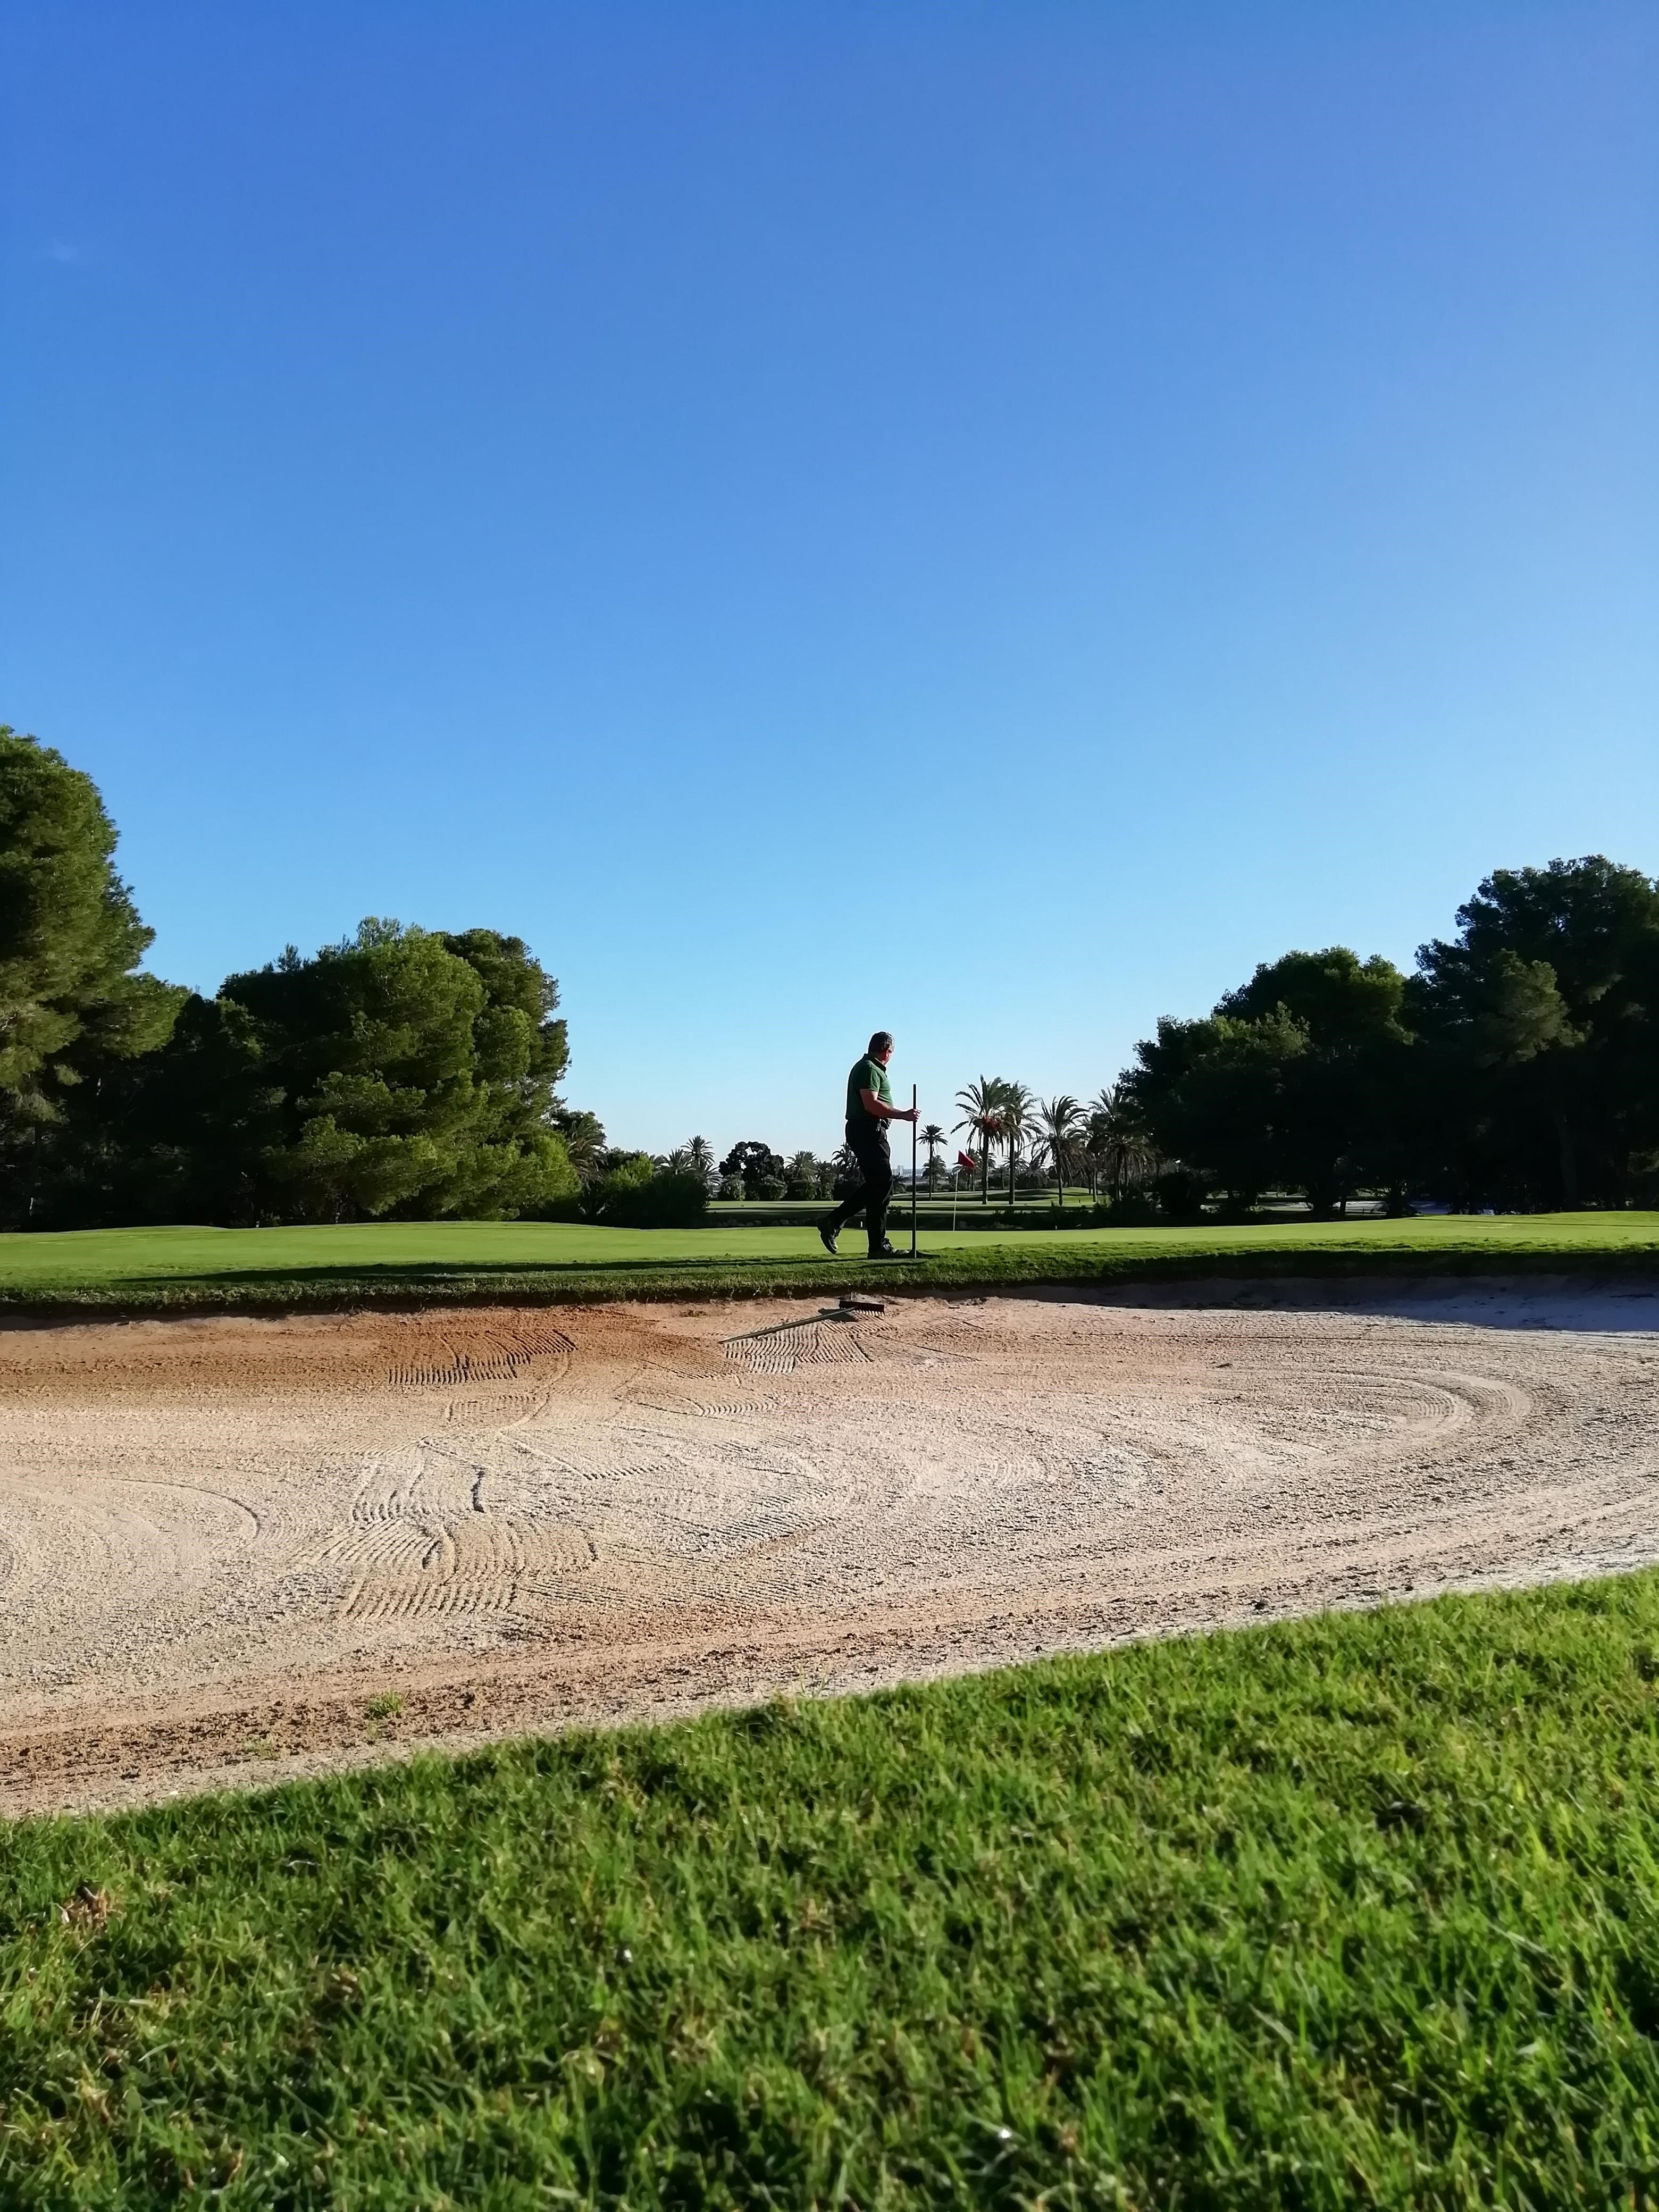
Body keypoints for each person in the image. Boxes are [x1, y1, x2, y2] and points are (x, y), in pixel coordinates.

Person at [819, 1030, 918, 1258]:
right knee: (882, 1184)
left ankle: (847, 1230)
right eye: (891, 1052)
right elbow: (871, 1105)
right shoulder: (869, 1069)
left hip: (869, 1130)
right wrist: (904, 1115)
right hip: (868, 1129)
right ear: (887, 1051)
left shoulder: (870, 1068)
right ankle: (872, 1243)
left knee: (878, 1185)